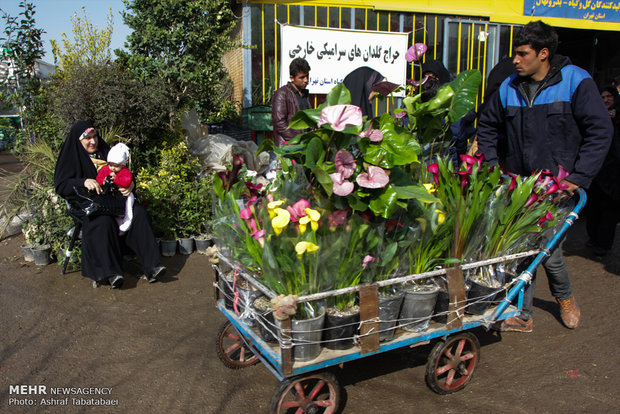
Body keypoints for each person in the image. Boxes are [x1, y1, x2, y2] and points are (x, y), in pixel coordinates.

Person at [477, 21, 612, 332]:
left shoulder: (576, 82)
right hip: (518, 186)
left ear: (544, 54)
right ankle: (523, 314)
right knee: (525, 246)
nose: (515, 59)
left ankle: (564, 298)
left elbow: (600, 131)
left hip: (558, 187)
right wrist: (492, 167)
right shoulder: (508, 88)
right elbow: (486, 127)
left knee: (545, 249)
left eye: (523, 54)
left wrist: (579, 176)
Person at [54, 121, 166, 289]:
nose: (93, 141)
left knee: (139, 213)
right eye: (88, 138)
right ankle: (111, 273)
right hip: (88, 205)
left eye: (95, 137)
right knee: (102, 222)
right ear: (78, 140)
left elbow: (125, 172)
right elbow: (61, 185)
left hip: (114, 202)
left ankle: (152, 266)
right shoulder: (72, 157)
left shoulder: (106, 153)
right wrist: (83, 181)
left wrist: (131, 185)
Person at [585, 86, 620, 256]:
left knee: (610, 209)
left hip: (614, 172)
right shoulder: (595, 115)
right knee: (594, 208)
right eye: (603, 97)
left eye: (609, 97)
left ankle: (603, 244)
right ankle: (594, 238)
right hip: (597, 170)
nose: (606, 100)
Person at [96, 143, 134, 235]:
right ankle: (119, 223)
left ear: (122, 164)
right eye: (111, 165)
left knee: (128, 204)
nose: (113, 168)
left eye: (116, 166)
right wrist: (104, 181)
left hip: (123, 194)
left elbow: (127, 181)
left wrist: (116, 179)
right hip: (111, 194)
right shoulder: (106, 169)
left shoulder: (124, 171)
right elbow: (99, 178)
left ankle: (128, 218)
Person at [271, 58, 311, 146]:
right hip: (288, 149)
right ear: (292, 78)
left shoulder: (304, 94)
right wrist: (297, 141)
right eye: (302, 77)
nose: (306, 80)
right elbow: (280, 123)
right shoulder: (281, 94)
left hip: (303, 147)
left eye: (307, 76)